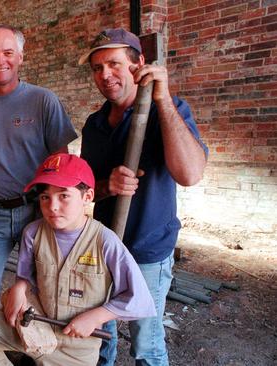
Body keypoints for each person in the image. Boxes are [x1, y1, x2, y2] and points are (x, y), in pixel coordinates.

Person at [79, 28, 208, 366]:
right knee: (98, 339)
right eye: (96, 68)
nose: (105, 75)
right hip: (106, 246)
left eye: (114, 64)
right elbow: (87, 190)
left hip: (149, 251)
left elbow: (191, 174)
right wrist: (108, 185)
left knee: (146, 347)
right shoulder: (94, 125)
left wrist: (163, 100)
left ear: (137, 65)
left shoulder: (170, 110)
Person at [0, 153, 155, 366]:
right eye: (45, 197)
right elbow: (26, 276)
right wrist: (19, 288)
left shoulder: (105, 241)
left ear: (87, 197)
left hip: (75, 348)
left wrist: (96, 317)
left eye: (63, 196)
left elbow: (139, 299)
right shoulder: (33, 233)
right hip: (35, 327)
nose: (52, 206)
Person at [0, 24, 78, 316]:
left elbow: (61, 162)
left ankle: (36, 356)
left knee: (44, 292)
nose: (1, 61)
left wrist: (58, 212)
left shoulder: (43, 100)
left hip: (37, 211)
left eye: (8, 53)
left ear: (21, 57)